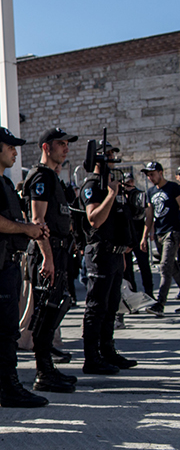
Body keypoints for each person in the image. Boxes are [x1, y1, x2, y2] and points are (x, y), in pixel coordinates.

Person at [0, 128, 51, 408]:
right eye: (10, 147)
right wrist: (27, 229)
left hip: (7, 261)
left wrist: (30, 230)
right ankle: (8, 387)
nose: (15, 152)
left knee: (3, 328)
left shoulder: (2, 182)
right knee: (4, 330)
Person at [20, 127, 80, 392]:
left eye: (67, 144)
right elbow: (37, 219)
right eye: (61, 144)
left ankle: (48, 368)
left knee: (57, 307)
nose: (66, 148)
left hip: (59, 250)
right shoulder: (41, 177)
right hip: (48, 251)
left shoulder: (53, 178)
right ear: (46, 147)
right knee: (45, 314)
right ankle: (43, 373)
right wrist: (48, 257)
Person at [79, 144, 138, 374]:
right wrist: (111, 194)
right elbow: (94, 219)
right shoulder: (93, 186)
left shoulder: (112, 184)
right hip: (100, 254)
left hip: (114, 255)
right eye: (109, 156)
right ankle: (92, 357)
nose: (113, 160)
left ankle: (107, 351)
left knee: (112, 306)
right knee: (97, 307)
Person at [142, 161, 180, 315]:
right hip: (159, 234)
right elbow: (149, 216)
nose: (150, 177)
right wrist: (145, 236)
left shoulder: (173, 188)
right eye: (148, 175)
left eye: (152, 174)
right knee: (174, 269)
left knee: (164, 267)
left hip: (173, 232)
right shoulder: (150, 192)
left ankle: (160, 303)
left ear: (160, 172)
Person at [121, 173, 153, 297]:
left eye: (130, 182)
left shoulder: (140, 195)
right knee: (127, 268)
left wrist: (147, 235)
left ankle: (149, 293)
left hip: (138, 233)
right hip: (127, 235)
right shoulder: (121, 196)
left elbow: (148, 214)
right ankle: (132, 294)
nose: (129, 185)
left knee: (144, 265)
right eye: (126, 183)